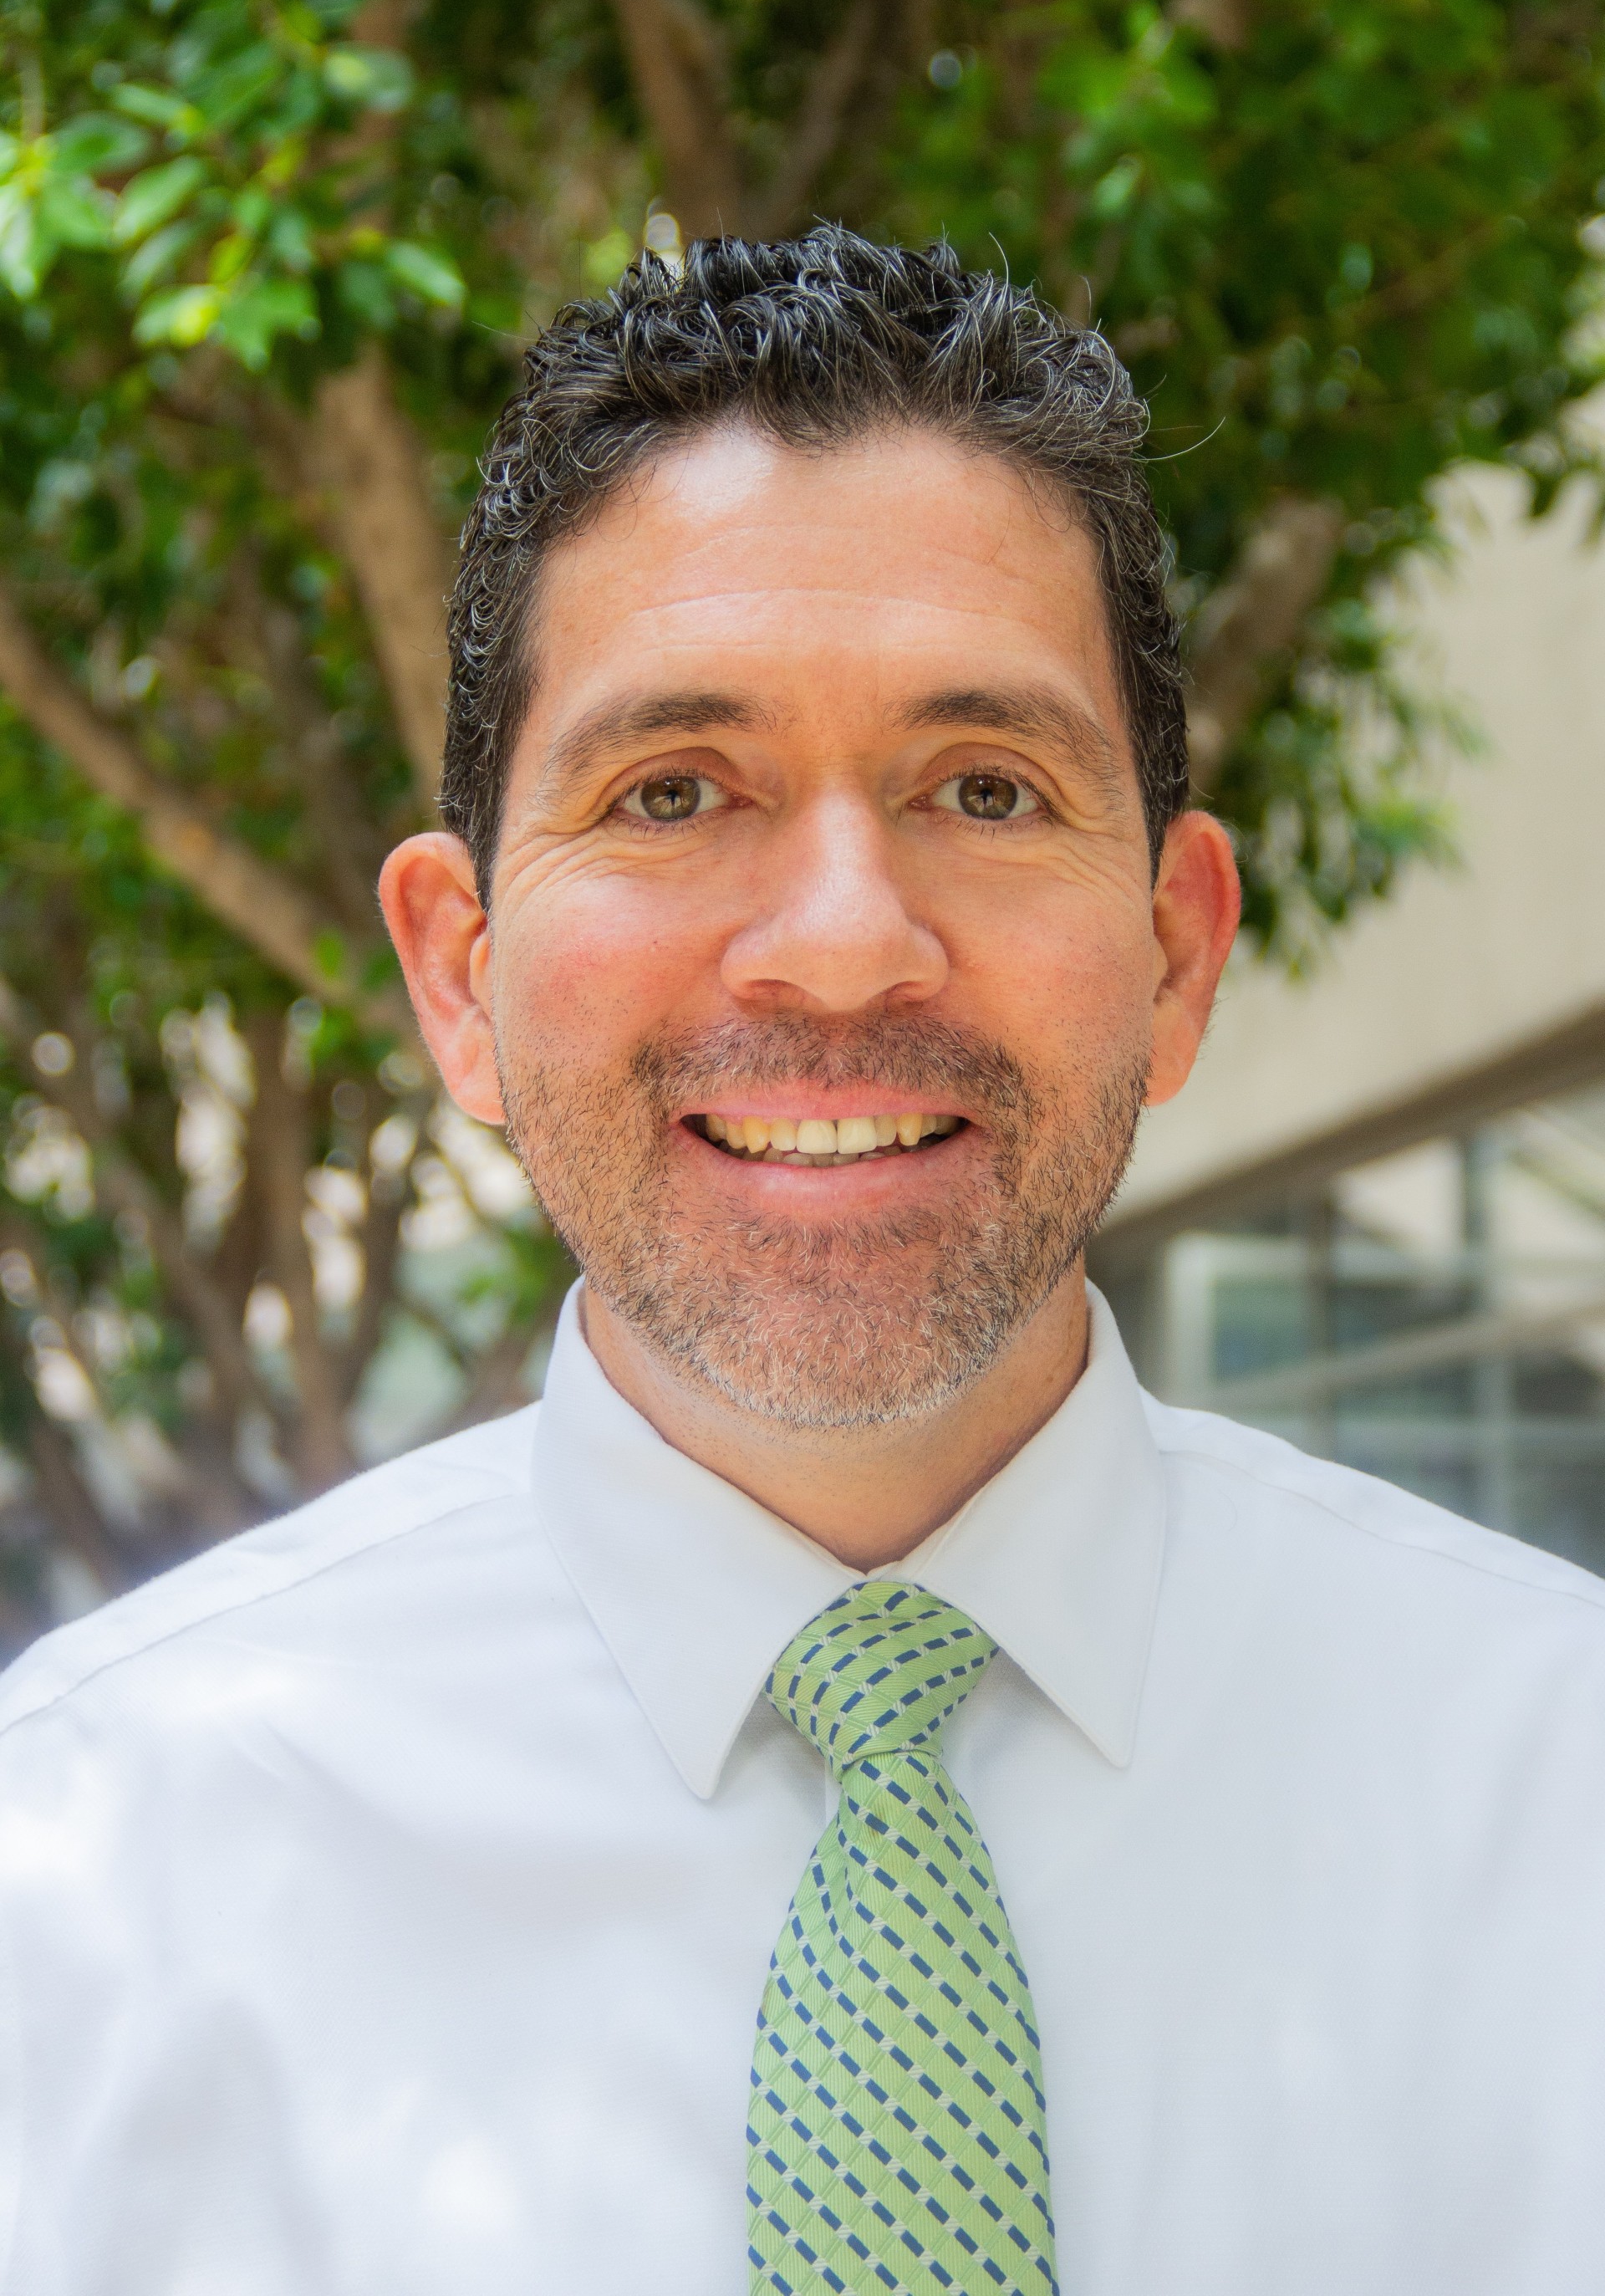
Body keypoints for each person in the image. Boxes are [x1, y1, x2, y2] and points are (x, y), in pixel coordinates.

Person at [0, 230, 1601, 2296]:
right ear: (460, 976)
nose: (844, 941)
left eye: (986, 788)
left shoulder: (1563, 1792)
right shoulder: (78, 1878)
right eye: (673, 790)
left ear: (1178, 952)